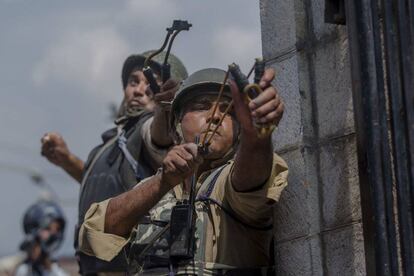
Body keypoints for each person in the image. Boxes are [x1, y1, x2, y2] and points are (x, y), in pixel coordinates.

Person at [78, 67, 289, 275]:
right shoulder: (153, 188)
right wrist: (163, 181)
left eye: (229, 111)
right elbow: (95, 233)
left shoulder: (231, 181)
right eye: (201, 106)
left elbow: (250, 177)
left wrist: (256, 133)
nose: (215, 116)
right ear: (175, 127)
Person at [40, 51, 188, 274]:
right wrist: (67, 160)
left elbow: (159, 137)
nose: (139, 90)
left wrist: (165, 108)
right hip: (92, 267)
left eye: (151, 85)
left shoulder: (147, 130)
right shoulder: (112, 142)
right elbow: (108, 185)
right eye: (134, 81)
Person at [15, 200, 68, 276]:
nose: (54, 234)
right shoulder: (24, 270)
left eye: (57, 229)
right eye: (48, 228)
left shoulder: (56, 272)